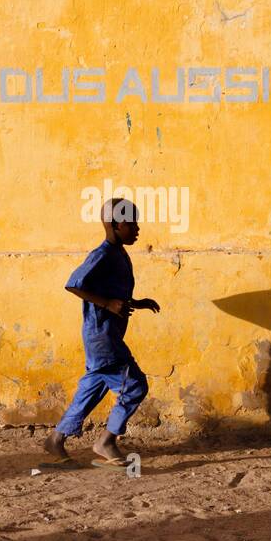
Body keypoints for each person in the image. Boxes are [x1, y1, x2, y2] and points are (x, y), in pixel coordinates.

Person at [43, 198, 160, 465]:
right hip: (102, 336)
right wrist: (107, 304)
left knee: (91, 389)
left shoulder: (119, 254)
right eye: (131, 223)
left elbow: (114, 294)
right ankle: (106, 441)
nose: (137, 228)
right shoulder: (103, 254)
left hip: (106, 334)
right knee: (135, 385)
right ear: (114, 225)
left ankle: (55, 440)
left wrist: (136, 303)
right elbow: (73, 285)